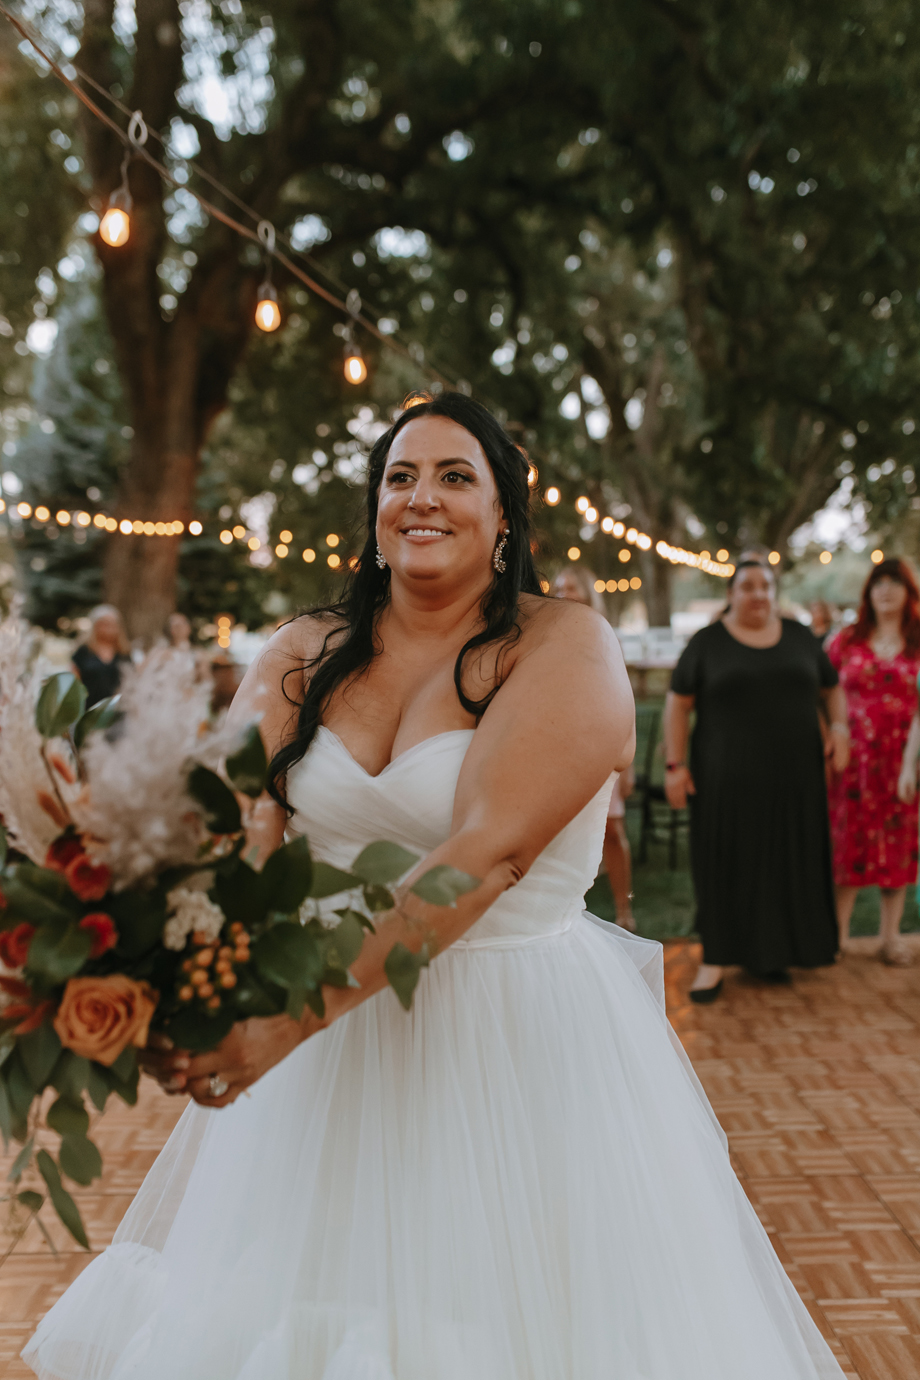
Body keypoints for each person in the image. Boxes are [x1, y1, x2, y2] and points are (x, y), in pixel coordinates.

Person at [26, 397, 845, 1380]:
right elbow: (233, 831)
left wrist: (284, 1024)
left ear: (503, 519)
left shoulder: (563, 643)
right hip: (331, 1066)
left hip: (511, 1041)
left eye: (455, 476)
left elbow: (486, 852)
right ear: (375, 514)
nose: (422, 496)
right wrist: (152, 963)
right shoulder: (300, 651)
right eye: (400, 477)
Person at [664, 560, 847, 1002]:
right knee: (725, 863)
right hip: (726, 779)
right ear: (731, 593)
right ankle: (714, 959)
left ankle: (770, 954)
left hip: (796, 780)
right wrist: (675, 765)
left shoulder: (800, 636)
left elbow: (831, 688)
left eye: (766, 585)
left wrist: (839, 729)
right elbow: (677, 704)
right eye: (748, 586)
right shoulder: (708, 642)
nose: (758, 593)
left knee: (785, 862)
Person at [828, 559, 920, 966]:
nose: (886, 589)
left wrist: (910, 764)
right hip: (852, 762)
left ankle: (890, 937)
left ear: (909, 592)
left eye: (895, 582)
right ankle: (837, 937)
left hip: (902, 762)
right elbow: (821, 691)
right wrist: (831, 736)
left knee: (898, 848)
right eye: (878, 582)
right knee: (848, 846)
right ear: (868, 592)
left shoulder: (917, 641)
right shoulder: (847, 640)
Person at [552, 567, 636, 929]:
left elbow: (624, 703)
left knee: (612, 831)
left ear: (588, 594)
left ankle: (625, 908)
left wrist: (628, 766)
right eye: (558, 588)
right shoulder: (545, 637)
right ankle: (565, 912)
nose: (563, 593)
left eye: (571, 587)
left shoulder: (604, 636)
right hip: (559, 749)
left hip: (603, 746)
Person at [70, 604, 130, 708]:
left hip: (116, 709)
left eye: (112, 624)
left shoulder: (124, 653)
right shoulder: (83, 652)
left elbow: (129, 681)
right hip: (88, 709)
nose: (108, 628)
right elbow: (74, 681)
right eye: (104, 624)